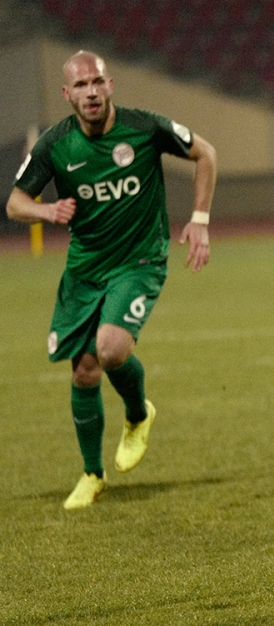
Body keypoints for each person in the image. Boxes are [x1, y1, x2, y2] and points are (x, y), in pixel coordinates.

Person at [6, 51, 217, 509]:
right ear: (67, 94)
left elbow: (206, 153)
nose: (91, 92)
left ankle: (138, 414)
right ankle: (92, 474)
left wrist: (200, 219)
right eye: (81, 86)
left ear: (110, 85)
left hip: (139, 261)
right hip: (85, 269)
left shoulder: (145, 128)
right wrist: (47, 210)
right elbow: (15, 203)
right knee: (84, 371)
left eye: (97, 82)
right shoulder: (56, 144)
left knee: (111, 349)